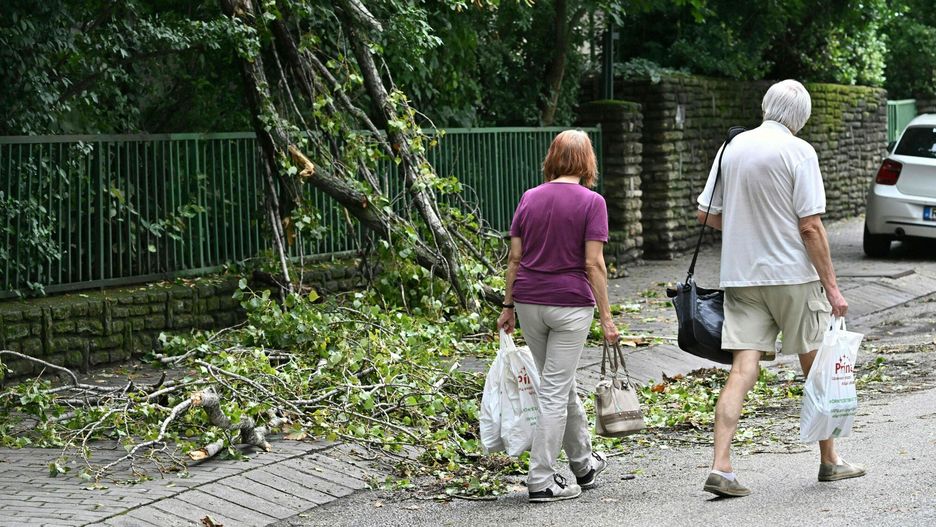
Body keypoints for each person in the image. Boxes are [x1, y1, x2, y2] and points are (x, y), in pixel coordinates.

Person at [696, 79, 866, 498]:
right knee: (816, 369)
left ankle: (722, 466)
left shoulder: (730, 149)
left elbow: (706, 215)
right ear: (801, 117)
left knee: (742, 369)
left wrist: (745, 226)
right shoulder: (799, 151)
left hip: (741, 277)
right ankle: (830, 461)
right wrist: (833, 288)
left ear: (766, 106)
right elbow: (810, 225)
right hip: (793, 277)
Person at [497, 130, 620, 503]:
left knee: (559, 384)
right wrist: (607, 317)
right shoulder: (592, 202)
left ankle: (583, 464)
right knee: (554, 390)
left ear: (552, 158)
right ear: (587, 162)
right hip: (569, 305)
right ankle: (541, 480)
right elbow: (593, 264)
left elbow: (515, 258)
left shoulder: (529, 198)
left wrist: (508, 305)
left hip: (530, 302)